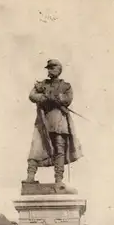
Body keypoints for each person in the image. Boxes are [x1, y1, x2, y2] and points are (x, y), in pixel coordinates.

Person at [26, 59, 83, 190]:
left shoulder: (66, 86)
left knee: (59, 150)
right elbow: (32, 96)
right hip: (43, 121)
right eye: (48, 68)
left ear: (59, 70)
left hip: (58, 121)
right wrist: (44, 98)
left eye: (52, 68)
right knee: (35, 149)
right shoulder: (42, 84)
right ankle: (30, 177)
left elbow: (67, 99)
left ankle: (58, 180)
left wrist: (56, 98)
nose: (49, 71)